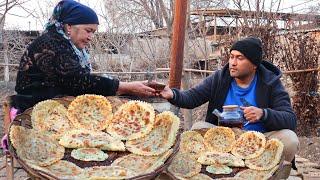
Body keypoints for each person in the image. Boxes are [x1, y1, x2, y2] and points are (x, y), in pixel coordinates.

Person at [160, 37, 299, 163]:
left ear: (254, 64)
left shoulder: (271, 83)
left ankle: (270, 173)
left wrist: (263, 114)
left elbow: (290, 119)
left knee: (290, 139)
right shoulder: (220, 79)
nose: (233, 62)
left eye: (240, 58)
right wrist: (172, 94)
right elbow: (192, 97)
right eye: (231, 57)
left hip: (260, 141)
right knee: (198, 128)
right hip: (225, 140)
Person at [13, 0, 155, 112]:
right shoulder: (51, 43)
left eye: (93, 32)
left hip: (52, 105)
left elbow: (78, 80)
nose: (90, 37)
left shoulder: (66, 45)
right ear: (69, 27)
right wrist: (125, 87)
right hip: (34, 110)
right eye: (88, 30)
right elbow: (78, 81)